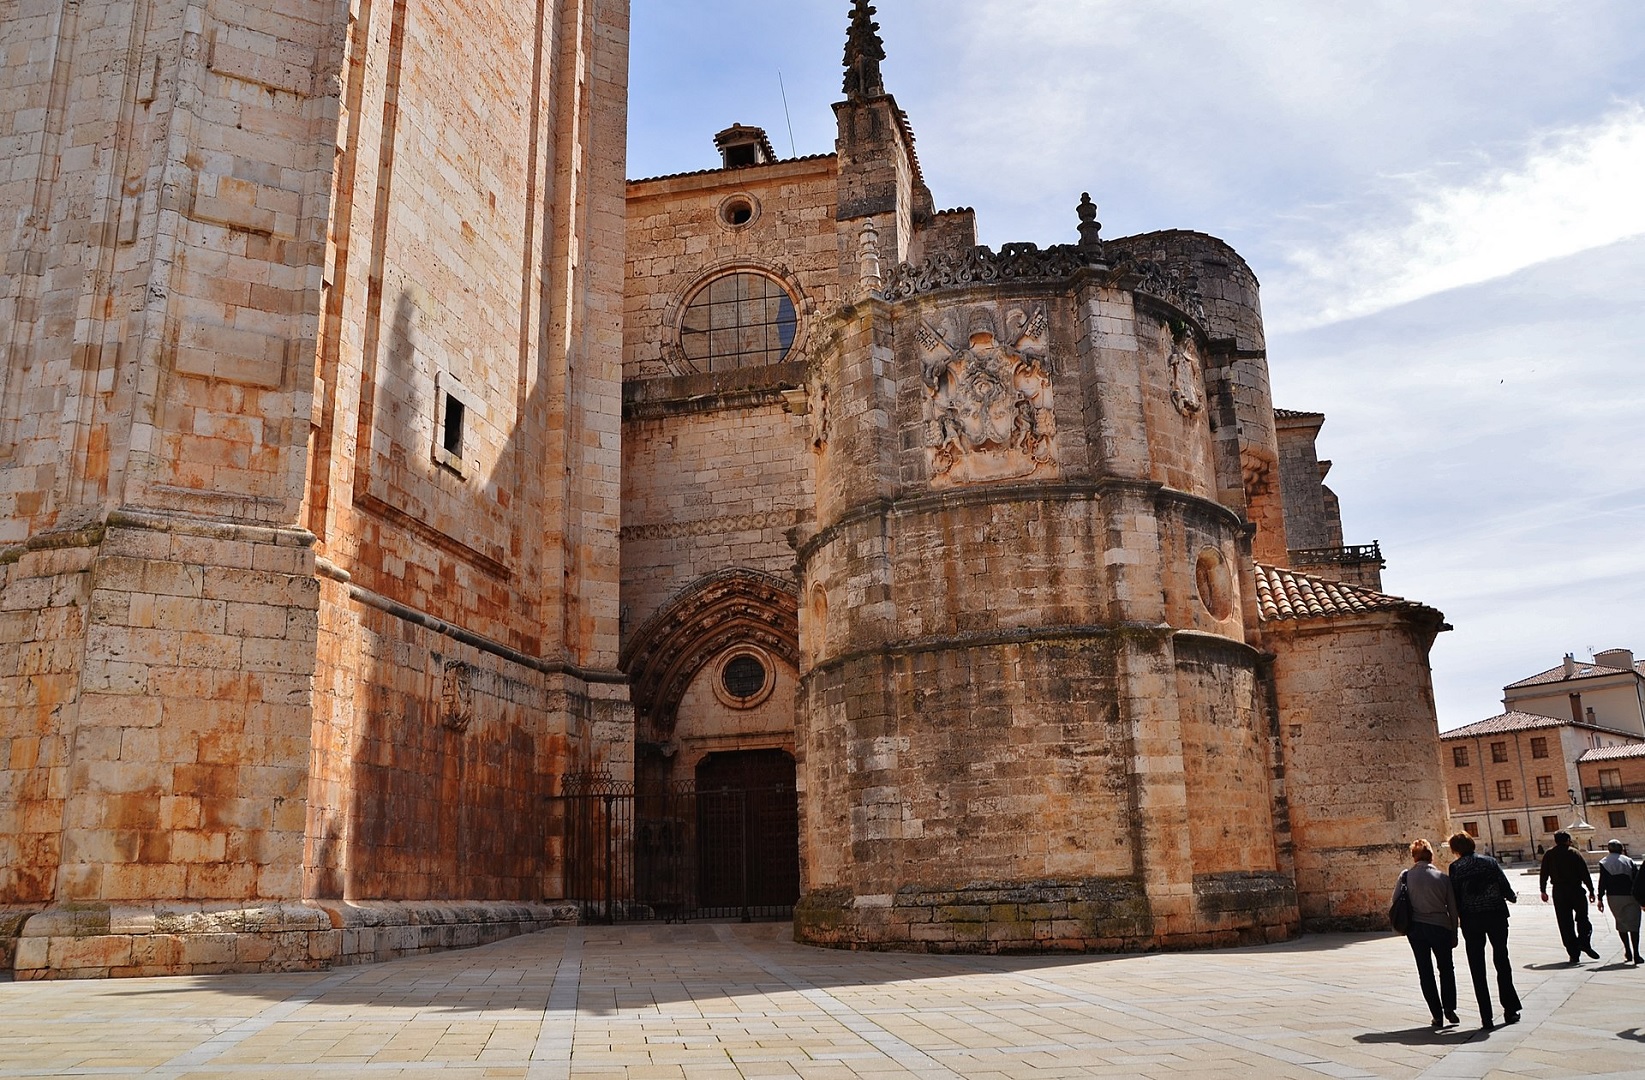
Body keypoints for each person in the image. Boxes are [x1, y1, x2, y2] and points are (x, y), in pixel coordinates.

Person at [1448, 830, 1521, 1029]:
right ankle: (1510, 1009)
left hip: (1472, 919)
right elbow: (1504, 885)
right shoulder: (1489, 862)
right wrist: (1512, 897)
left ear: (1455, 849)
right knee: (1502, 960)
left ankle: (1486, 1016)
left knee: (1477, 967)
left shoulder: (1455, 868)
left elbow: (1454, 895)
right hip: (1496, 915)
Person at [1394, 838, 1460, 1027]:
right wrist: (1454, 932)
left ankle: (1436, 1014)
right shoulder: (1443, 878)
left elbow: (1396, 900)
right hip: (1440, 926)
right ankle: (1449, 1008)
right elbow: (1453, 909)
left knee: (1425, 971)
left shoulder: (1405, 876)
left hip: (1416, 928)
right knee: (1446, 969)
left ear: (1414, 856)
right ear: (1431, 856)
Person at [1539, 830, 1599, 963]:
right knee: (1583, 918)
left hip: (1559, 891)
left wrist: (1543, 890)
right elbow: (1584, 873)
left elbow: (1544, 873)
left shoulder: (1549, 854)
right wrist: (1591, 890)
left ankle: (1573, 953)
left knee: (1565, 922)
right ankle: (1583, 941)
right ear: (1568, 840)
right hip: (1576, 889)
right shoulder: (1574, 853)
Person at [1597, 839, 1641, 964]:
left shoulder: (1604, 862)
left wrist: (1600, 898)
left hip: (1614, 896)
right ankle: (1637, 954)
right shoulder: (1629, 861)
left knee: (1621, 923)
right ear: (1621, 848)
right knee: (1634, 924)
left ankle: (1628, 951)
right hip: (1631, 896)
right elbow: (1637, 880)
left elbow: (1602, 882)